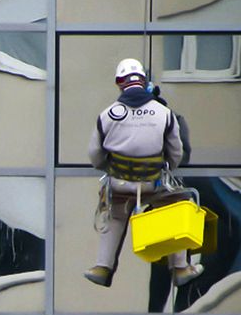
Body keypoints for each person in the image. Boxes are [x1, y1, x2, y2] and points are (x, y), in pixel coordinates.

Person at [85, 57, 202, 288]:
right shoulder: (163, 113)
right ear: (144, 81)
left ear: (120, 82)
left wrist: (109, 167)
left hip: (119, 184)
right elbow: (176, 153)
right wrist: (165, 167)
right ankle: (180, 267)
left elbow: (95, 154)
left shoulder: (107, 114)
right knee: (177, 205)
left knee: (116, 215)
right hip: (153, 184)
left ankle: (102, 267)